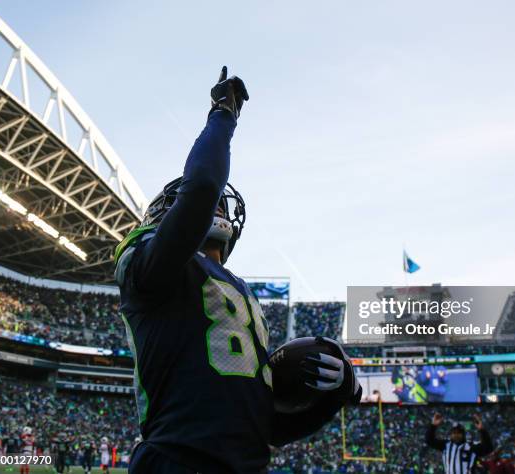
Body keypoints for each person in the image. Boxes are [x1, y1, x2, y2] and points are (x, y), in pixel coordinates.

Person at [117, 67, 360, 474]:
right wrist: (222, 115)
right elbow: (201, 188)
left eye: (220, 206)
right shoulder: (144, 260)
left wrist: (333, 397)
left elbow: (269, 427)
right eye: (204, 202)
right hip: (176, 459)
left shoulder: (241, 291)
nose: (217, 207)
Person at [426, 412, 494, 474]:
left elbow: (488, 448)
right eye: (454, 433)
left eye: (459, 433)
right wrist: (433, 425)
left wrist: (482, 430)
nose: (456, 435)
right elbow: (429, 441)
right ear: (451, 434)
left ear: (463, 434)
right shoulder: (446, 445)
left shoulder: (471, 446)